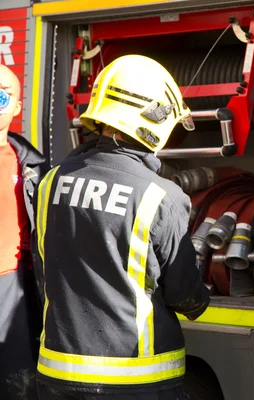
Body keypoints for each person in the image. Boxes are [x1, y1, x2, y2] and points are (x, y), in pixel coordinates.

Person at [32, 55, 210, 399]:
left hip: (56, 373)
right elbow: (185, 296)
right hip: (135, 379)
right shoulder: (162, 195)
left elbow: (44, 267)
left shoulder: (50, 182)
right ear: (153, 118)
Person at [0, 64, 48, 399]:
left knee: (17, 386)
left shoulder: (32, 164)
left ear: (17, 107)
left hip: (13, 287)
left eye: (4, 93)